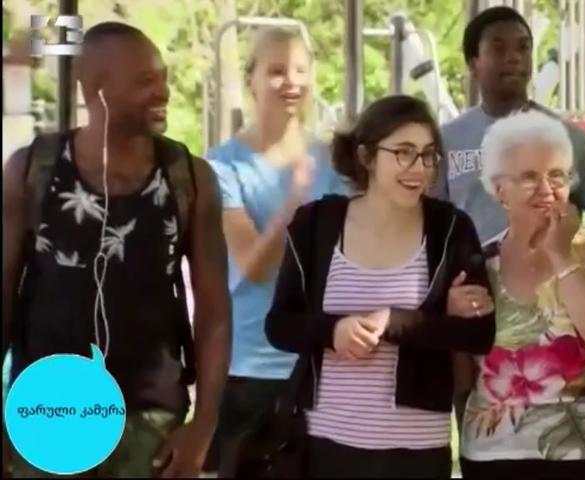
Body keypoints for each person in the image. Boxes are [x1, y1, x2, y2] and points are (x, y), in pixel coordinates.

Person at [2, 22, 230, 478]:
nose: (164, 92)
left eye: (163, 78)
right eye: (146, 81)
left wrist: (204, 426)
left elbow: (214, 312)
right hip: (47, 409)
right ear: (98, 90)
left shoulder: (189, 178)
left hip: (151, 417)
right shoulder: (32, 171)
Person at [265, 95, 496, 478]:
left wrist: (398, 321)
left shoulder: (451, 228)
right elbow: (279, 325)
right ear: (366, 157)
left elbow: (480, 334)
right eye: (403, 153)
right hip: (324, 443)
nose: (418, 168)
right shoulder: (316, 224)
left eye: (428, 155)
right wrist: (333, 331)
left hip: (417, 450)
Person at [455, 111, 585, 478]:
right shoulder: (479, 263)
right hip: (497, 455)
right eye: (529, 177)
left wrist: (561, 256)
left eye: (557, 175)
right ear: (499, 190)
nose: (547, 189)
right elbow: (462, 371)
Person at [202, 27, 344, 474]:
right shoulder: (221, 165)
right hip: (248, 370)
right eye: (277, 71)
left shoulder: (335, 161)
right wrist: (295, 200)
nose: (291, 82)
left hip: (322, 365)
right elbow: (254, 266)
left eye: (301, 70)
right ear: (252, 79)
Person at [433, 6, 585, 244]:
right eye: (499, 48)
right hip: (471, 267)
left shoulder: (568, 137)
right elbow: (429, 221)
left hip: (551, 267)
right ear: (473, 64)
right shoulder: (446, 140)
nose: (514, 57)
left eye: (523, 48)